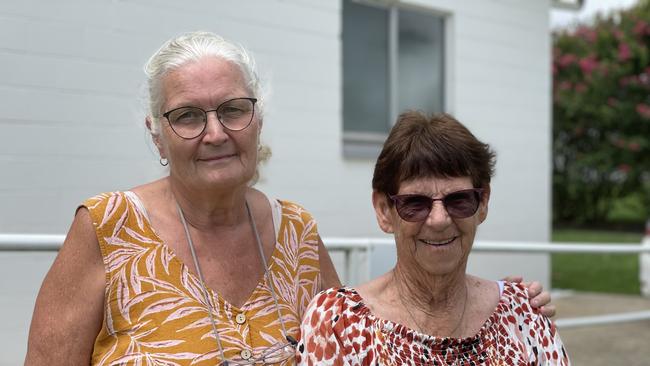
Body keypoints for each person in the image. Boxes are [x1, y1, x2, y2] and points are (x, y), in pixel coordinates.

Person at [25, 32, 554, 365]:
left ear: (257, 120)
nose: (214, 133)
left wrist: (508, 307)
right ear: (156, 134)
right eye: (187, 115)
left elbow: (364, 333)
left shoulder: (295, 232)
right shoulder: (108, 226)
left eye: (233, 109)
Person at [298, 112, 570, 365]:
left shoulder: (523, 315)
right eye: (415, 203)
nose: (439, 220)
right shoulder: (338, 324)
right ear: (384, 211)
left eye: (459, 200)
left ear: (483, 202)